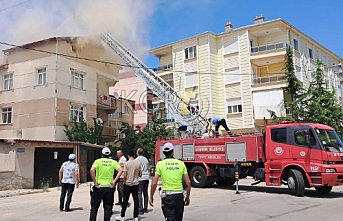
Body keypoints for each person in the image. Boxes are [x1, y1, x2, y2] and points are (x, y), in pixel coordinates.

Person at [149, 142, 191, 221]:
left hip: (167, 196)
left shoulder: (160, 164)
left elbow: (154, 183)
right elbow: (188, 182)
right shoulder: (181, 163)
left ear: (163, 152)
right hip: (179, 195)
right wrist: (187, 197)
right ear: (173, 151)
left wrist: (151, 196)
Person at [89, 147, 123, 221]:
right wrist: (114, 181)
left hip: (99, 187)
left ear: (102, 154)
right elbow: (121, 170)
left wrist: (95, 182)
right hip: (109, 187)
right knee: (108, 207)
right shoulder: (113, 162)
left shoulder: (97, 161)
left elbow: (92, 170)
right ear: (109, 154)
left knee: (94, 207)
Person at [116, 151, 142, 221]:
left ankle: (122, 216)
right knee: (136, 200)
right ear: (134, 155)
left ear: (128, 156)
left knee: (125, 200)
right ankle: (136, 216)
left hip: (128, 183)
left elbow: (125, 175)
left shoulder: (126, 163)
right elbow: (140, 174)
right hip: (135, 184)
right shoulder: (138, 163)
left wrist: (124, 182)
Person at [135, 148, 150, 215]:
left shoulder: (137, 159)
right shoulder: (145, 159)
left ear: (138, 152)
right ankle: (146, 208)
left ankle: (140, 208)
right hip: (146, 177)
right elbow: (147, 167)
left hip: (140, 177)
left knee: (139, 193)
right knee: (145, 192)